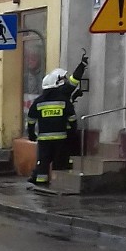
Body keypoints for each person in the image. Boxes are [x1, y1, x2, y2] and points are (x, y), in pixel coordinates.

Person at [26, 53, 87, 188]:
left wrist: (31, 134)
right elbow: (71, 117)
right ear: (57, 82)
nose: (65, 80)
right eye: (63, 79)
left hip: (43, 140)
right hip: (61, 137)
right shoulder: (63, 97)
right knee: (61, 162)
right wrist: (82, 66)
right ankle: (59, 183)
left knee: (43, 162)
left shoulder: (39, 101)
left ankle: (41, 183)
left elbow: (31, 119)